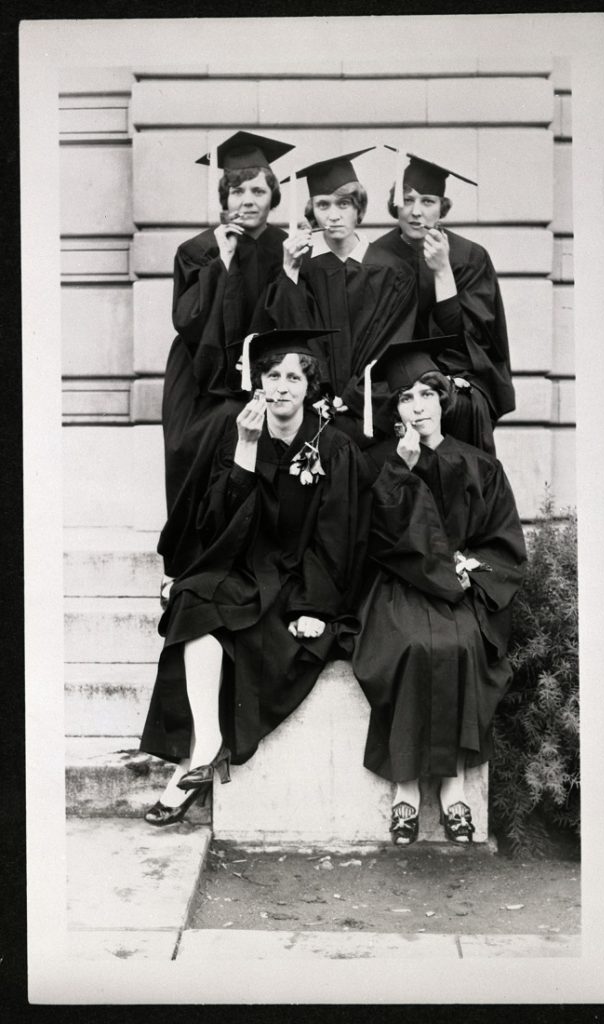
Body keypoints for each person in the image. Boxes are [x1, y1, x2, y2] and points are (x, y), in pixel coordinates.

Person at [140, 329, 365, 826]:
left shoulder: (333, 446)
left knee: (241, 633)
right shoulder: (239, 431)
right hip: (246, 567)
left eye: (292, 377)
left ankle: (190, 768)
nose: (281, 386)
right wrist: (245, 447)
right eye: (272, 375)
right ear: (258, 382)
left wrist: (314, 606)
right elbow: (218, 525)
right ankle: (208, 744)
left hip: (299, 582)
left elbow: (336, 538)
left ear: (310, 386)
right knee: (195, 598)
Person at [353, 338, 526, 846]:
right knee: (411, 646)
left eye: (426, 394)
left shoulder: (479, 464)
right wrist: (401, 473)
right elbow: (378, 541)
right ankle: (405, 791)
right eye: (406, 398)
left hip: (460, 587)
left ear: (443, 398)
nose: (418, 406)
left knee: (459, 645)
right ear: (395, 410)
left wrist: (474, 568)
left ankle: (452, 789)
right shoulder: (382, 464)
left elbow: (503, 540)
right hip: (400, 585)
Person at [161, 130, 294, 524]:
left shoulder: (283, 248)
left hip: (261, 372)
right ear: (225, 198)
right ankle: (186, 563)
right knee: (188, 452)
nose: (248, 201)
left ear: (273, 196)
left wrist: (291, 270)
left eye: (257, 191)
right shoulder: (196, 250)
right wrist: (221, 260)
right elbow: (188, 321)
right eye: (237, 192)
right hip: (198, 376)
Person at [263, 149, 416, 447]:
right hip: (312, 413)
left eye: (343, 204)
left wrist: (353, 396)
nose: (333, 215)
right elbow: (291, 337)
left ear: (358, 208)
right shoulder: (301, 268)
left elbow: (396, 345)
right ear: (312, 214)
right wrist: (290, 274)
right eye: (323, 205)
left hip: (370, 412)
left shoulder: (393, 271)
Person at [370, 148, 515, 454]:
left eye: (427, 201)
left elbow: (470, 342)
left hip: (455, 372)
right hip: (393, 375)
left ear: (442, 208)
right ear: (395, 205)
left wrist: (442, 271)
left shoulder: (469, 257)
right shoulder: (375, 257)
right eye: (407, 200)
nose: (416, 211)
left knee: (462, 404)